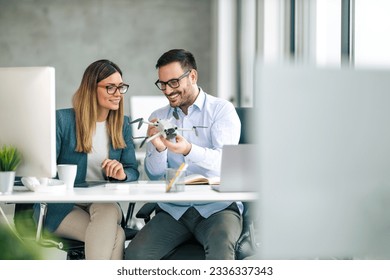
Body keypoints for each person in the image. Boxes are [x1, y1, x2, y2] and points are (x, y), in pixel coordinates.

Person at [125, 49, 242, 260]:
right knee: (135, 255)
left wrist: (189, 150)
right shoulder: (158, 116)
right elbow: (154, 176)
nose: (167, 90)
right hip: (174, 210)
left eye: (174, 82)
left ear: (193, 76)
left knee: (221, 252)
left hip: (217, 208)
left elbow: (224, 164)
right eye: (162, 84)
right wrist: (159, 149)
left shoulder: (221, 110)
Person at [33, 59, 139, 260]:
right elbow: (43, 170)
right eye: (110, 87)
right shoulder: (63, 121)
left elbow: (133, 169)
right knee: (117, 234)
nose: (118, 93)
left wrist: (122, 173)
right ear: (91, 88)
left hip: (103, 203)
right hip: (62, 207)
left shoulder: (122, 124)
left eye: (121, 87)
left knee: (107, 210)